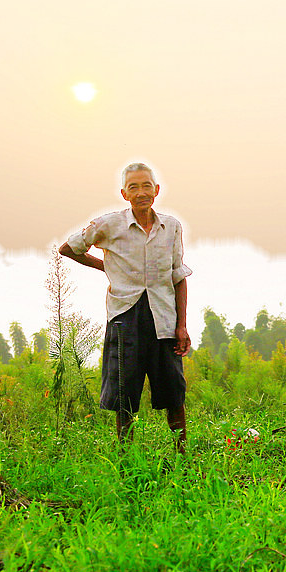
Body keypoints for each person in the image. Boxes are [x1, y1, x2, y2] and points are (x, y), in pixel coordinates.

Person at [59, 162, 192, 453]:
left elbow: (178, 277)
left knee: (174, 393)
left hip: (164, 319)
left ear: (156, 190)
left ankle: (182, 457)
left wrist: (182, 325)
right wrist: (106, 267)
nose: (141, 192)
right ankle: (126, 459)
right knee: (124, 395)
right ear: (124, 193)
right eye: (134, 187)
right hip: (124, 319)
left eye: (146, 186)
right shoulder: (109, 224)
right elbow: (68, 248)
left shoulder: (171, 227)